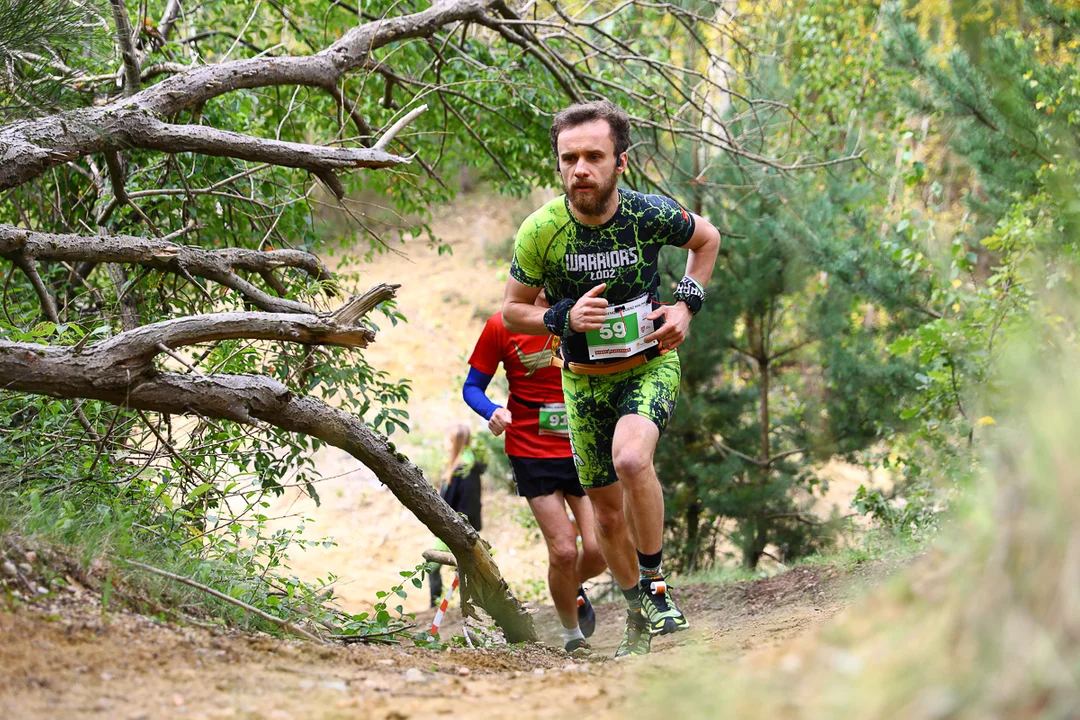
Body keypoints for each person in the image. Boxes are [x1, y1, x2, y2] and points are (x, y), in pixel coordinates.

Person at [501, 99, 721, 657]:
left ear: (620, 161)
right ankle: (639, 616)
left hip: (648, 366)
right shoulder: (541, 231)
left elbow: (707, 239)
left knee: (631, 460)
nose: (580, 169)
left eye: (593, 156)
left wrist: (684, 307)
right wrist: (562, 317)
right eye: (569, 158)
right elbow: (512, 312)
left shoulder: (648, 215)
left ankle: (657, 588)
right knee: (605, 517)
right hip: (582, 382)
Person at [463, 310, 607, 652]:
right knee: (563, 550)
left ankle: (569, 587)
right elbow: (472, 387)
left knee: (599, 550)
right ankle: (573, 636)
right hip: (531, 450)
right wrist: (492, 410)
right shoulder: (502, 325)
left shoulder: (586, 312)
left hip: (582, 443)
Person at [429, 423, 485, 607]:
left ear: (455, 442)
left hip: (456, 525)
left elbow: (451, 501)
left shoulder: (462, 467)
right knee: (465, 566)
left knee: (432, 565)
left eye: (447, 440)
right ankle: (468, 603)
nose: (444, 444)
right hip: (465, 523)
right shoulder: (467, 462)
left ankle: (434, 605)